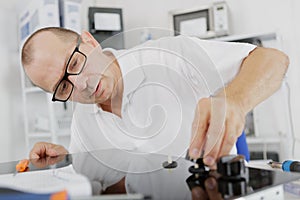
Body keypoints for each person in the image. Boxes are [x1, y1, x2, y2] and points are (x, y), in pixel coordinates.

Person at [21, 27, 289, 168]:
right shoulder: (83, 121)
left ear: (90, 41)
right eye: (64, 87)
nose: (82, 85)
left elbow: (273, 59)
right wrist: (66, 160)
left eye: (75, 62)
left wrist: (235, 101)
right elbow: (95, 176)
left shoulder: (172, 56)